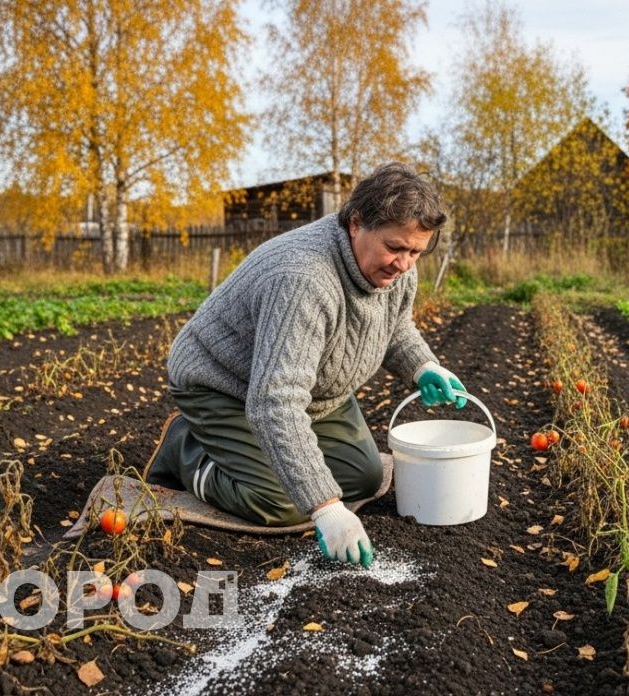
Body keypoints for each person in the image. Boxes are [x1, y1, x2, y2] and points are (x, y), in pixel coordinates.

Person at [148, 162, 467, 569]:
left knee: (365, 478)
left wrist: (423, 366)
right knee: (281, 504)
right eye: (394, 248)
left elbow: (393, 323)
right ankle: (185, 449)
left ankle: (268, 459)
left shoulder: (395, 269)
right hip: (227, 385)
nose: (403, 264)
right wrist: (325, 507)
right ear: (355, 223)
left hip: (316, 392)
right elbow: (274, 403)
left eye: (415, 252)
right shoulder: (303, 280)